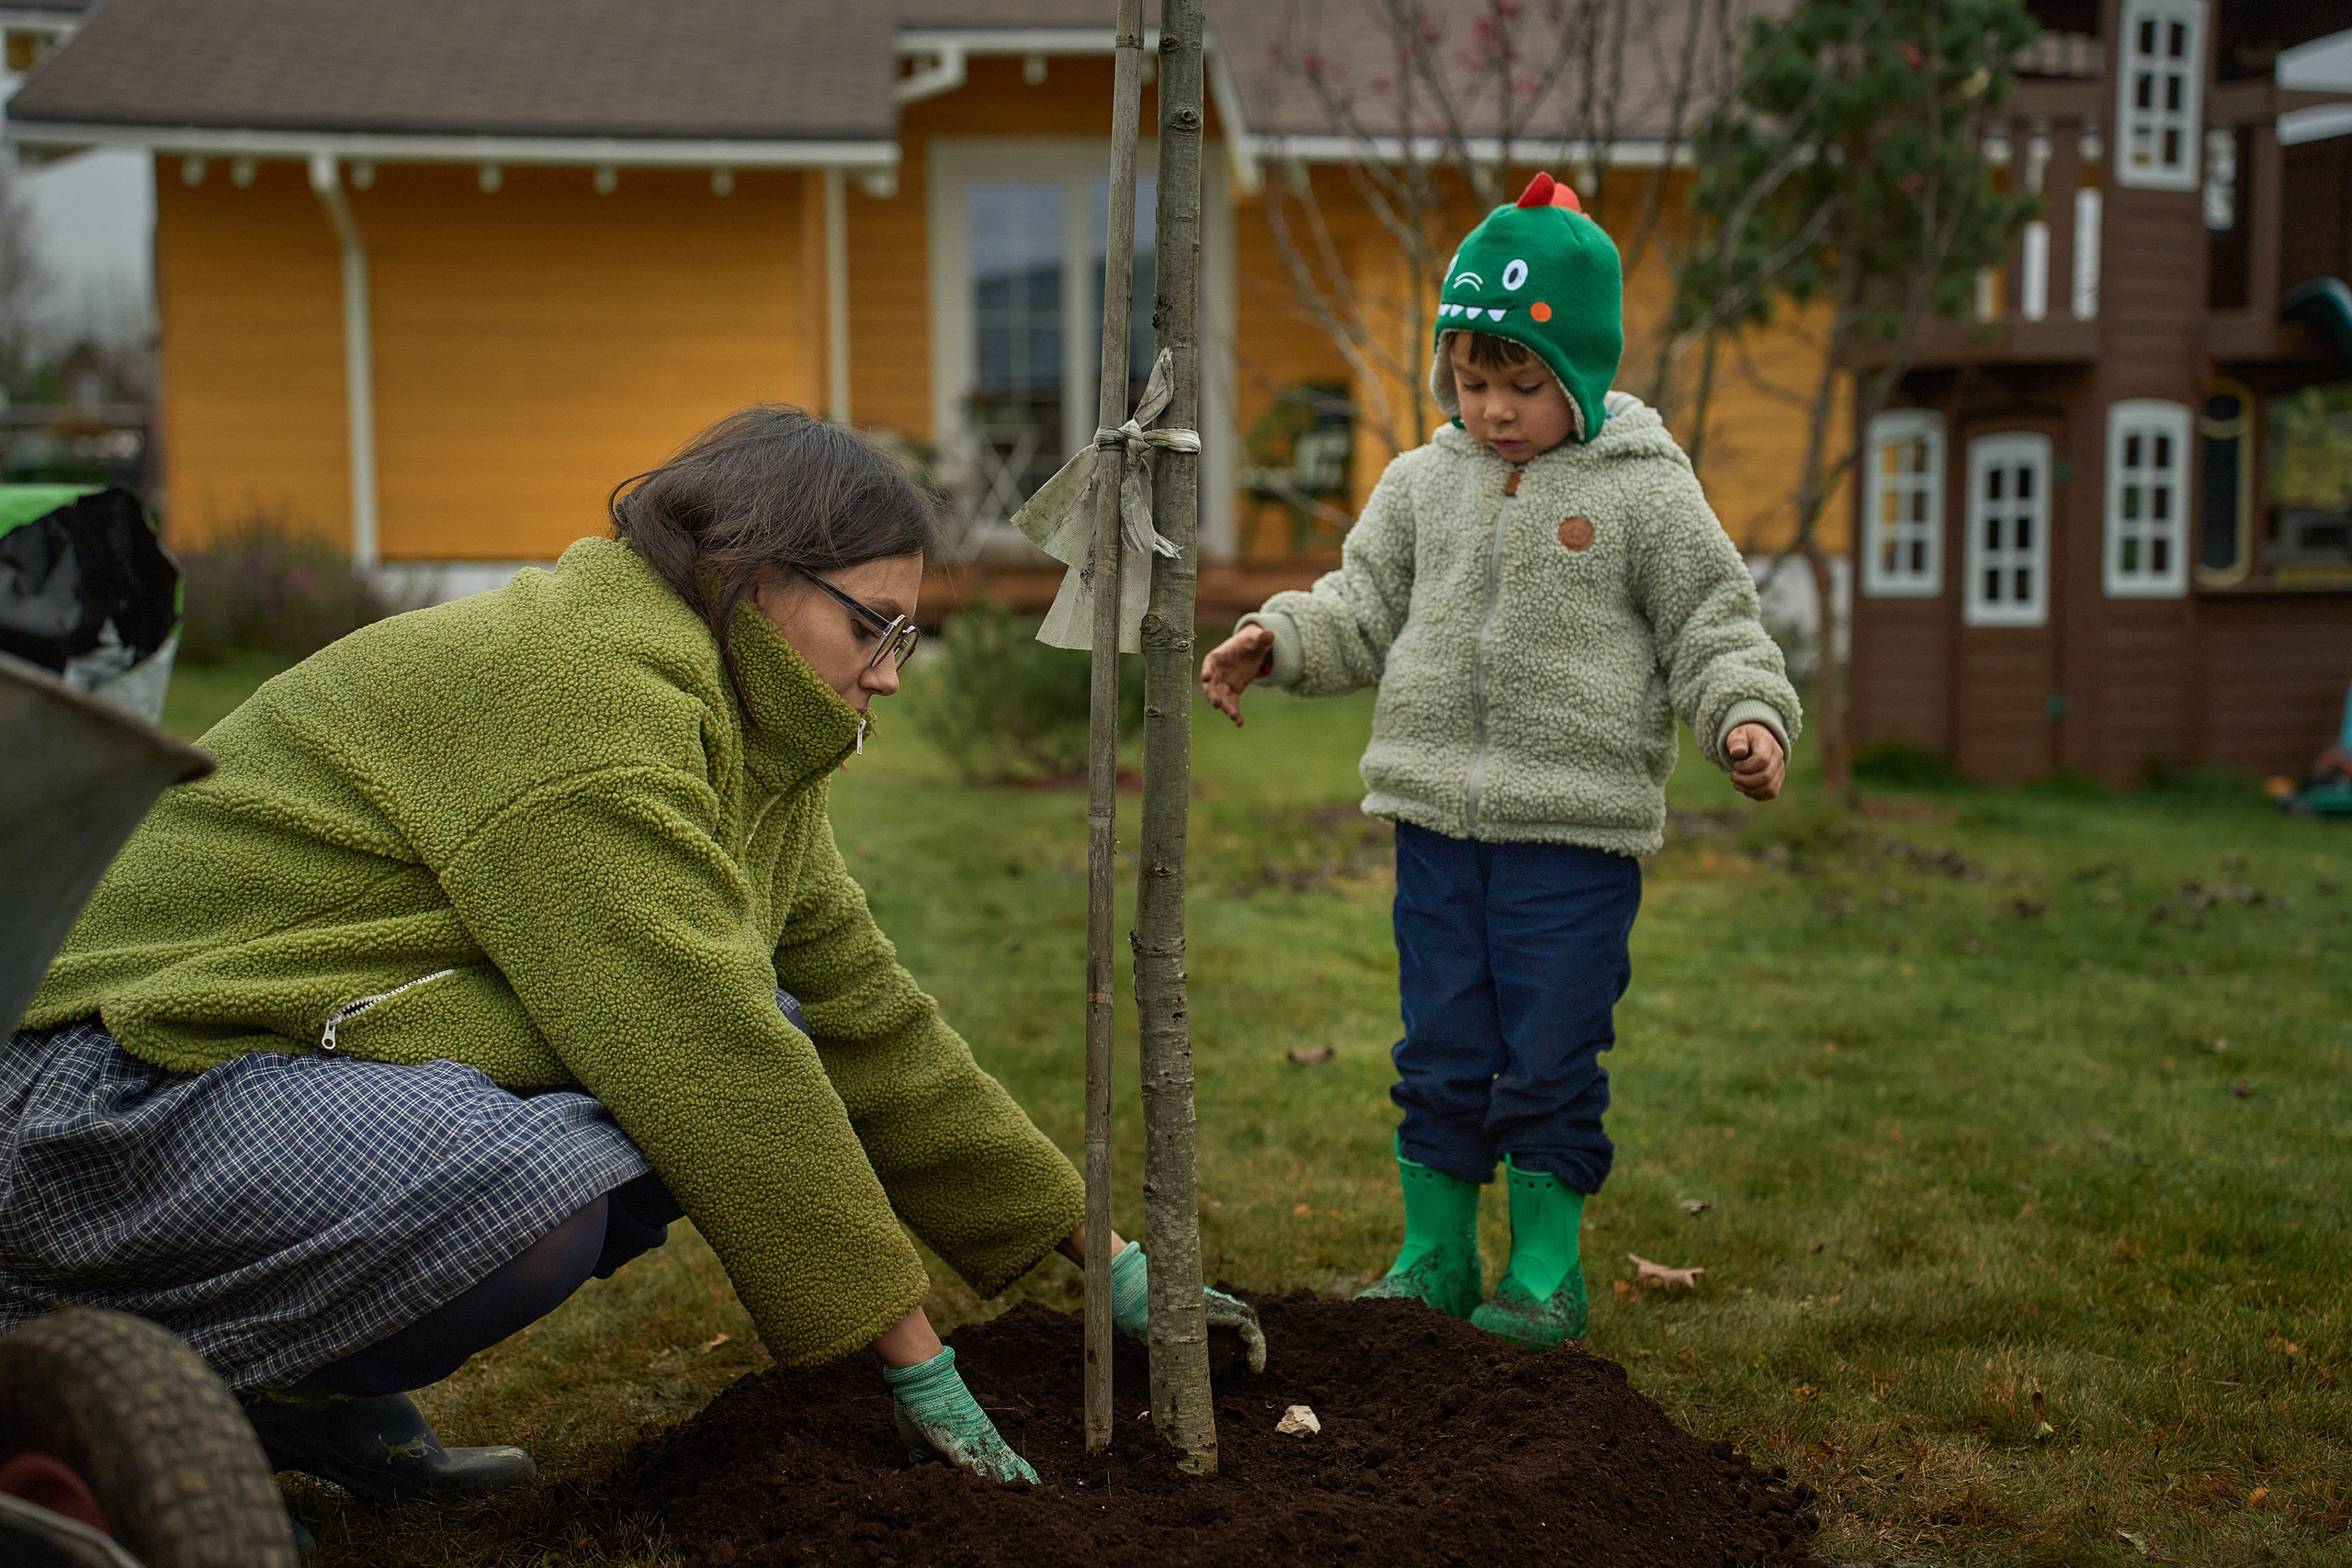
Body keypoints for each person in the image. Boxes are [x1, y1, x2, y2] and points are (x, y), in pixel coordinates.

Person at [9, 407, 1261, 1511]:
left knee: (725, 1052)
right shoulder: (585, 697)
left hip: (253, 1060)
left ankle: (306, 1388)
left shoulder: (741, 724)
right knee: (550, 1182)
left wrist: (1106, 1258)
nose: (888, 673)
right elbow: (706, 1048)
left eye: (907, 636)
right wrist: (915, 1359)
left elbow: (863, 1014)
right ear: (753, 575)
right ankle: (184, 1382)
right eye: (873, 627)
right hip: (102, 1084)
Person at [1199, 172, 1800, 1351]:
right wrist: (1280, 638)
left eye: (1523, 387)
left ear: (1580, 372)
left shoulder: (1645, 492)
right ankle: (1433, 1256)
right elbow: (1360, 603)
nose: (1493, 412)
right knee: (1440, 1048)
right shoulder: (1421, 485)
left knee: (1549, 1054)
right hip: (1435, 825)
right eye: (1472, 384)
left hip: (1571, 839)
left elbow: (1712, 624)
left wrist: (1746, 713)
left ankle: (1541, 1273)